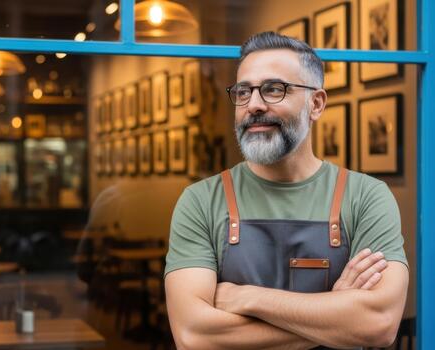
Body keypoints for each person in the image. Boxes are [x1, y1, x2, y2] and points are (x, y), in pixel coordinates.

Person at [165, 32, 408, 350]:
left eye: (273, 89)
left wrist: (248, 297)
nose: (253, 105)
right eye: (243, 92)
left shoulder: (367, 197)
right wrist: (333, 313)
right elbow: (194, 336)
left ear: (316, 104)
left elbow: (378, 324)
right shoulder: (200, 202)